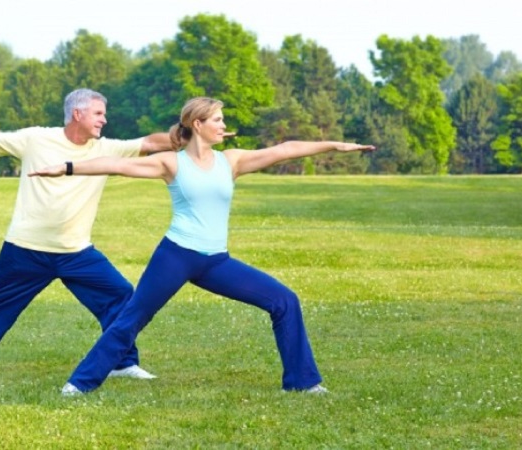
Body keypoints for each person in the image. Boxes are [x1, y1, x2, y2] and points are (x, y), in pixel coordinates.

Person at [29, 96, 375, 395]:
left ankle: (302, 382)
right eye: (218, 119)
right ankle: (79, 384)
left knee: (284, 300)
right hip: (176, 256)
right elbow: (117, 164)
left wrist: (335, 145)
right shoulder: (171, 162)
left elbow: (285, 150)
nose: (224, 125)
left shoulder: (232, 161)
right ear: (198, 124)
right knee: (133, 317)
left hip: (216, 261)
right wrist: (67, 167)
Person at [0, 88, 173, 381]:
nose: (104, 120)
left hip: (77, 252)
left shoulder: (105, 148)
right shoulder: (35, 139)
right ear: (78, 113)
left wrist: (188, 135)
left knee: (120, 296)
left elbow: (150, 142)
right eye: (98, 114)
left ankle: (122, 363)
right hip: (25, 250)